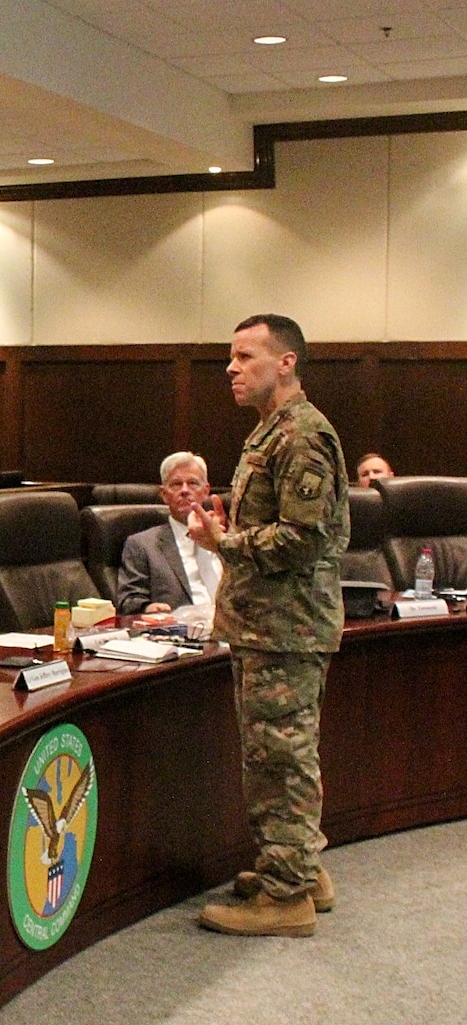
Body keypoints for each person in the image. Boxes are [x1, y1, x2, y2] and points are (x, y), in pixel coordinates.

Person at [189, 314, 348, 938]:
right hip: (265, 621)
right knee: (282, 754)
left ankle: (286, 898)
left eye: (245, 356)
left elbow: (303, 538)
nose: (231, 367)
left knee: (279, 759)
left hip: (287, 626)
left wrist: (226, 541)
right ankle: (300, 870)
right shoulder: (270, 432)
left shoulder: (302, 435)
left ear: (285, 363)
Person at [116, 451, 223, 616]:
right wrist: (148, 609)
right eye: (176, 484)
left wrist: (222, 544)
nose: (185, 490)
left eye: (193, 483)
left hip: (234, 632)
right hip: (181, 633)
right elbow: (128, 601)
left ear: (206, 490)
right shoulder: (142, 544)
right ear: (164, 494)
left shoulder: (227, 539)